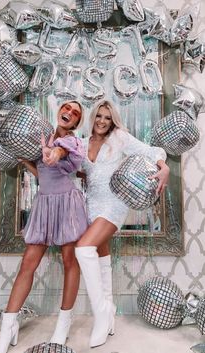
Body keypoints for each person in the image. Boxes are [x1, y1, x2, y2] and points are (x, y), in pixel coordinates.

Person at [0, 101, 88, 353]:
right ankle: (7, 328)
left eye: (75, 112)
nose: (69, 112)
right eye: (67, 108)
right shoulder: (43, 137)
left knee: (70, 263)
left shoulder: (73, 143)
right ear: (60, 111)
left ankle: (63, 326)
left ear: (76, 123)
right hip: (44, 204)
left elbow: (58, 155)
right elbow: (43, 172)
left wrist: (53, 153)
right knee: (27, 264)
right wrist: (27, 161)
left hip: (67, 205)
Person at [74, 100, 170, 348]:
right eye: (99, 116)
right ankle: (111, 310)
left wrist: (164, 167)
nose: (103, 121)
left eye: (107, 117)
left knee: (83, 249)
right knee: (101, 256)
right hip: (91, 205)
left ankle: (102, 314)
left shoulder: (120, 138)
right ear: (93, 117)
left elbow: (151, 151)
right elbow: (84, 172)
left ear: (112, 120)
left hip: (114, 205)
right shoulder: (83, 144)